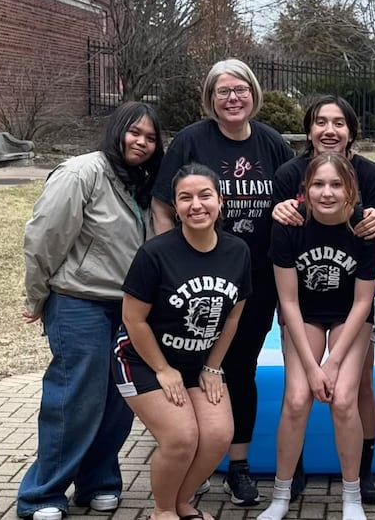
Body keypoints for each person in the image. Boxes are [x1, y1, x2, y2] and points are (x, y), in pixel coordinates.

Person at [151, 59, 294, 506]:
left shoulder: (272, 143)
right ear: (210, 99)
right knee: (191, 363)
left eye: (241, 90)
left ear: (253, 94)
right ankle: (193, 456)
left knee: (239, 368)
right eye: (223, 91)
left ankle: (238, 465)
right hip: (193, 283)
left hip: (255, 280)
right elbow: (160, 204)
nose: (233, 98)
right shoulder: (192, 141)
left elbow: (298, 197)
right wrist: (168, 261)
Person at [17, 102, 164, 520]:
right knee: (75, 399)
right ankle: (41, 495)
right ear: (116, 131)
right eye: (135, 133)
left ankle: (99, 482)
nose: (142, 142)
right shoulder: (82, 173)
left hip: (129, 308)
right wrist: (37, 297)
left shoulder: (143, 182)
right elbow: (44, 237)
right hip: (79, 301)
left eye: (151, 137)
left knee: (119, 400)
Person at [112, 164, 251, 520]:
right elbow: (133, 318)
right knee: (181, 438)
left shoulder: (238, 251)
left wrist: (212, 366)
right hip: (142, 360)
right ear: (175, 207)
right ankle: (162, 511)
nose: (196, 205)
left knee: (219, 435)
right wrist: (163, 370)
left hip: (197, 364)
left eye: (205, 195)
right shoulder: (155, 254)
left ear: (221, 201)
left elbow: (233, 315)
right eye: (185, 197)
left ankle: (182, 502)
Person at [271, 95, 375, 503]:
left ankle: (357, 486)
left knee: (350, 395)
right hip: (303, 308)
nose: (329, 130)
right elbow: (286, 297)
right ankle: (286, 487)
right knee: (298, 396)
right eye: (320, 121)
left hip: (350, 311)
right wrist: (312, 363)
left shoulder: (366, 210)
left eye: (339, 122)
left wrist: (333, 360)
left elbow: (363, 298)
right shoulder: (289, 189)